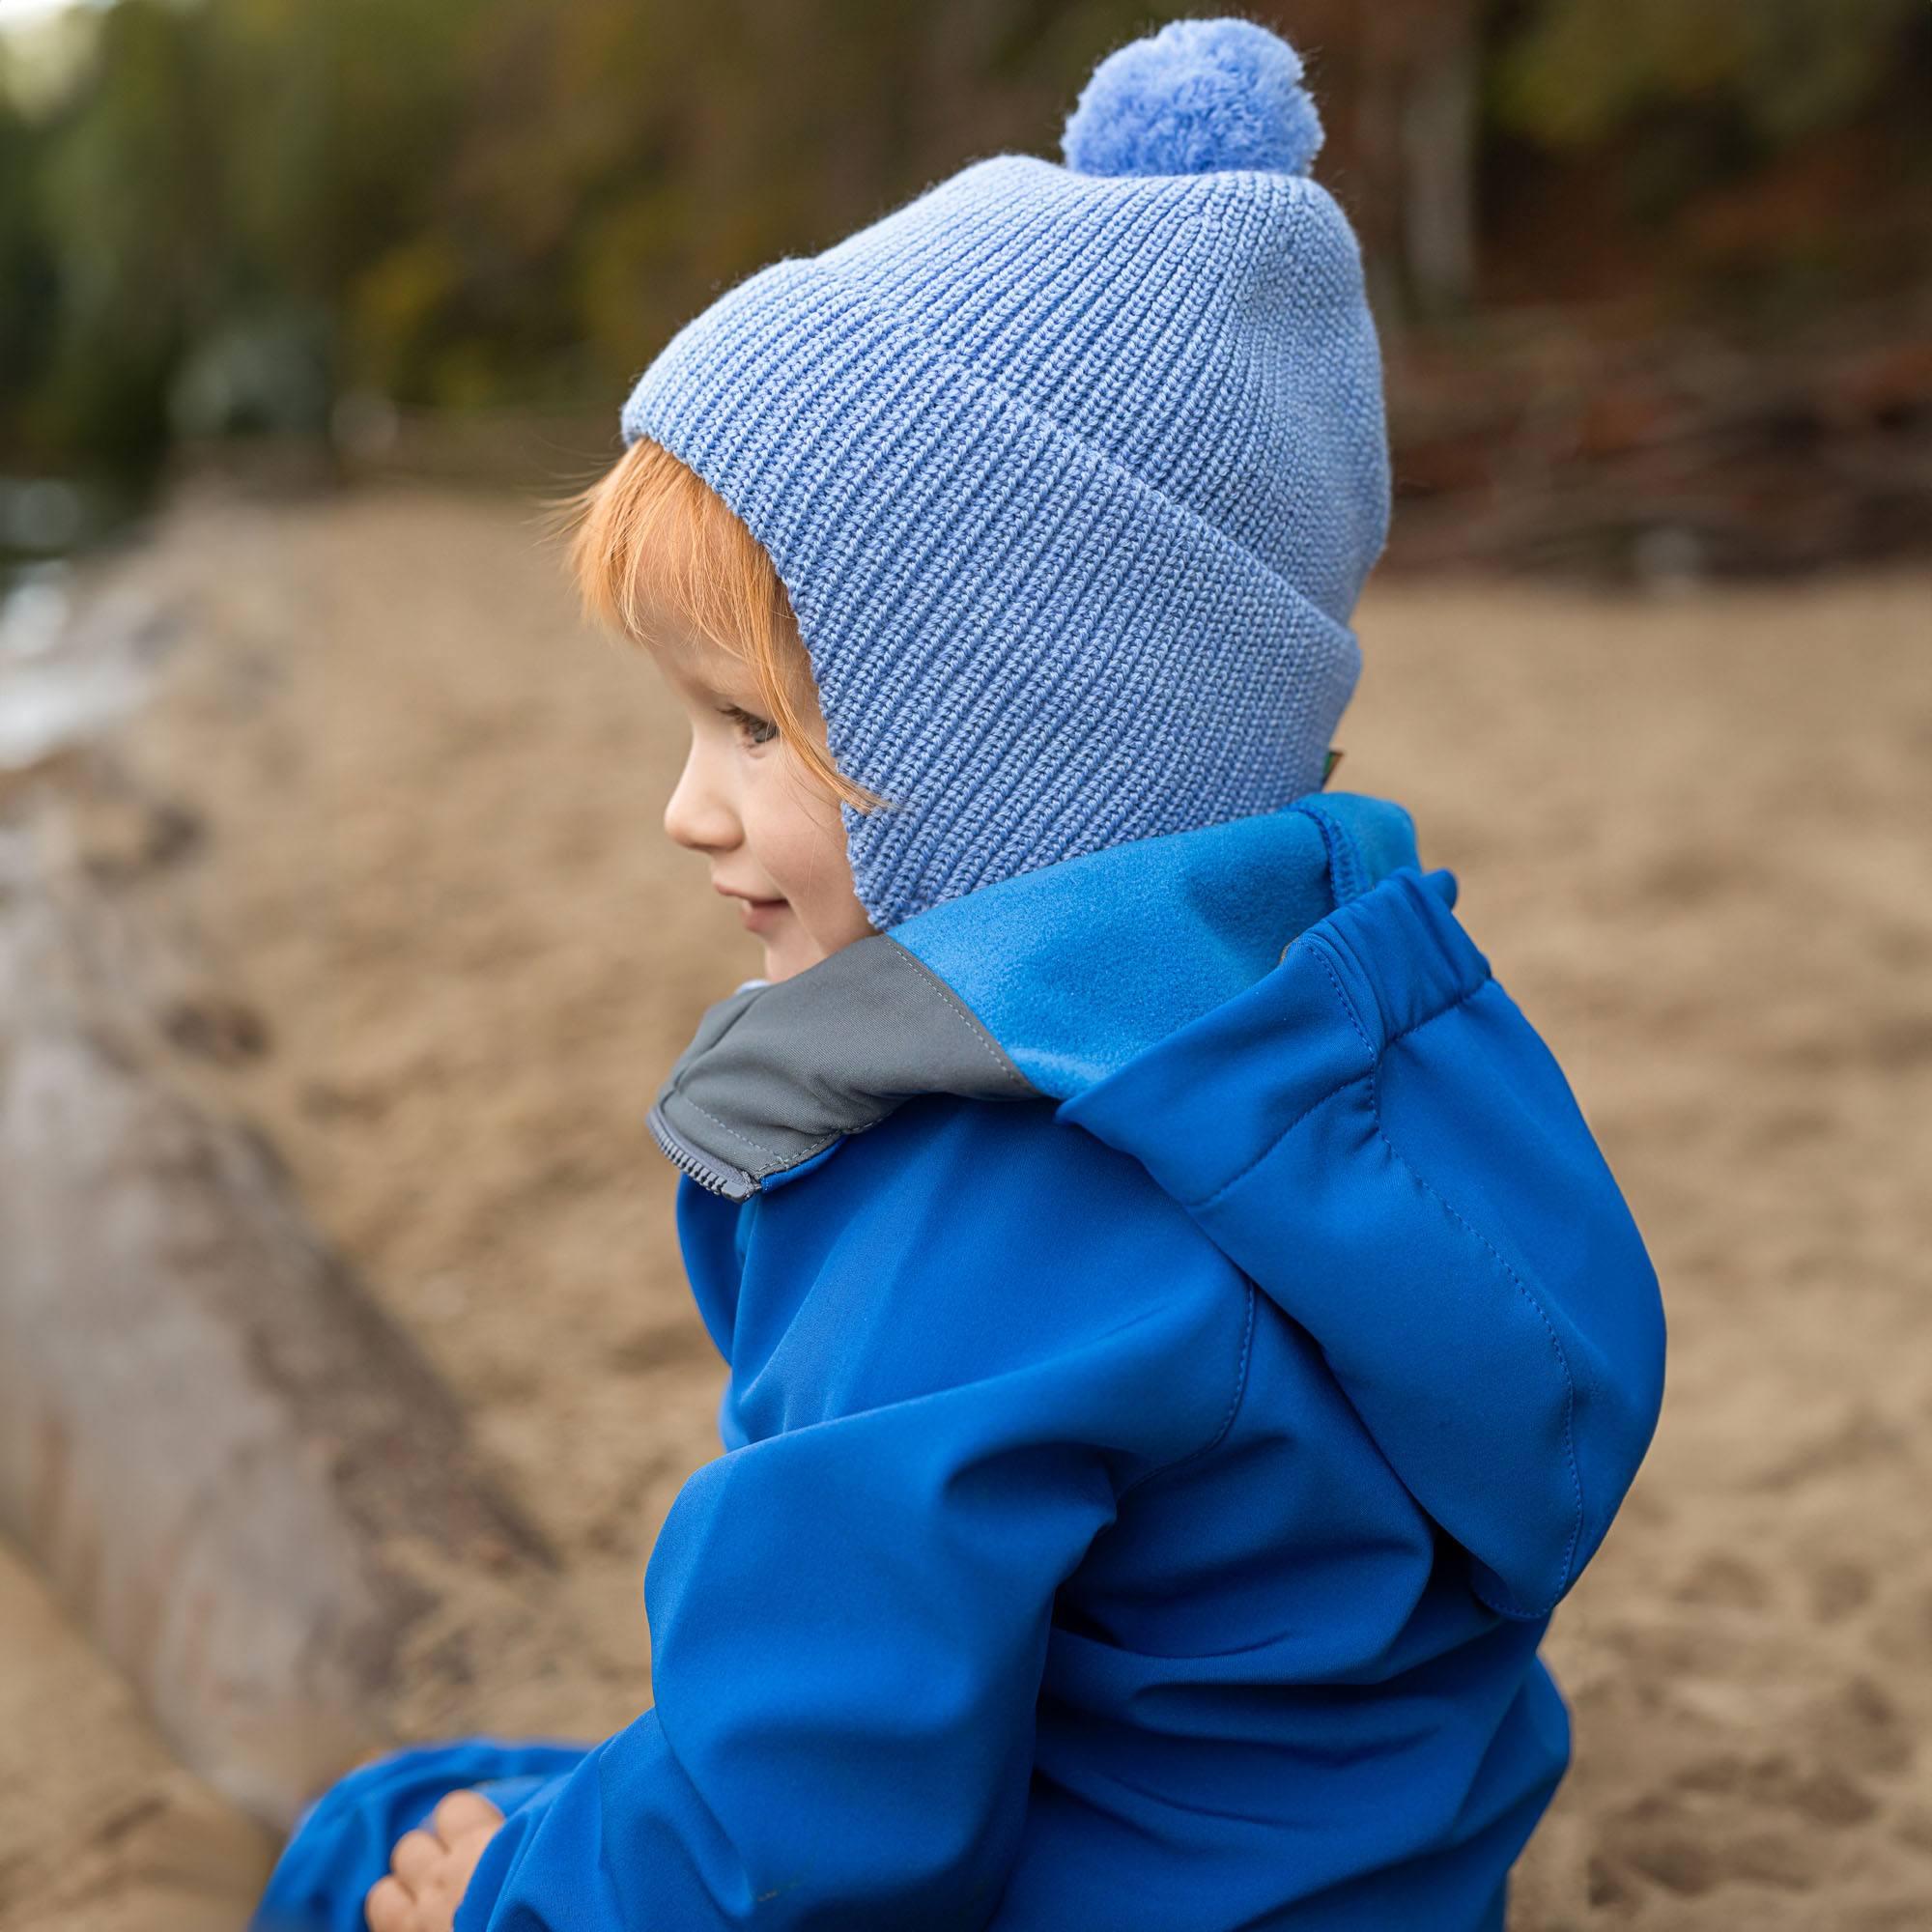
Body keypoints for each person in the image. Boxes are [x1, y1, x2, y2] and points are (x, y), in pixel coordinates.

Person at [252, 20, 1665, 1932]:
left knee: (386, 1830)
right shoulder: (1384, 1031)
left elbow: (806, 1832)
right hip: (1374, 1872)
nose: (688, 810)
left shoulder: (972, 1210)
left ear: (1029, 740)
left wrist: (514, 1892)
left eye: (753, 725)